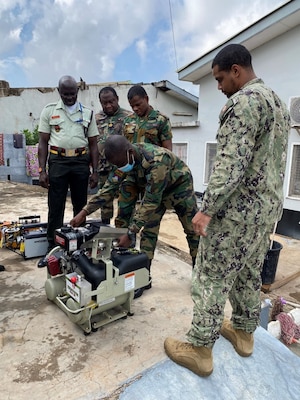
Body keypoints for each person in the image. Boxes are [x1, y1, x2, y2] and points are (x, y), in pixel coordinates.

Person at [164, 43, 290, 377]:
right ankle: (245, 333)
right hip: (265, 213)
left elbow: (231, 162)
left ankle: (200, 348)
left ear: (237, 70)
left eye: (220, 79)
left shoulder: (244, 102)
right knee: (248, 272)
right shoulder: (277, 102)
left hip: (235, 213)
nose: (218, 87)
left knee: (210, 275)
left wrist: (207, 209)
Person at [70, 135, 199, 298]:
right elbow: (108, 189)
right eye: (116, 165)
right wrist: (84, 212)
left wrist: (131, 232)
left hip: (179, 188)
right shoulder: (122, 159)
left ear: (130, 152)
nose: (119, 167)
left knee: (193, 232)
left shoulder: (157, 161)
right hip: (154, 190)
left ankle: (200, 275)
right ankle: (144, 276)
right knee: (149, 232)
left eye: (120, 164)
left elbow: (151, 201)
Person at [37, 75, 99, 268]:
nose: (69, 97)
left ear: (77, 92)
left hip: (81, 161)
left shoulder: (87, 113)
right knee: (55, 207)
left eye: (72, 94)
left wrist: (95, 171)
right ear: (59, 92)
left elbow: (94, 145)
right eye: (65, 94)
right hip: (58, 161)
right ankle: (52, 250)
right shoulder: (49, 111)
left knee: (81, 206)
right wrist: (41, 170)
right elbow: (43, 142)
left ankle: (79, 248)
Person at [115, 84, 173, 232]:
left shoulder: (161, 120)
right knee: (123, 214)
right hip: (132, 175)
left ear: (146, 99)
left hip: (152, 175)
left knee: (150, 220)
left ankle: (145, 254)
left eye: (138, 104)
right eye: (132, 105)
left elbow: (168, 152)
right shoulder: (128, 121)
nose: (135, 108)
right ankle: (121, 248)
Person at [95, 86, 131, 224]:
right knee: (105, 199)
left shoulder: (129, 117)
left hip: (124, 167)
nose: (108, 105)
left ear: (117, 99)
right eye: (105, 103)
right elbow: (92, 143)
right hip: (103, 167)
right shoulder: (96, 119)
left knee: (126, 199)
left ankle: (126, 233)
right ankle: (106, 230)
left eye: (111, 101)